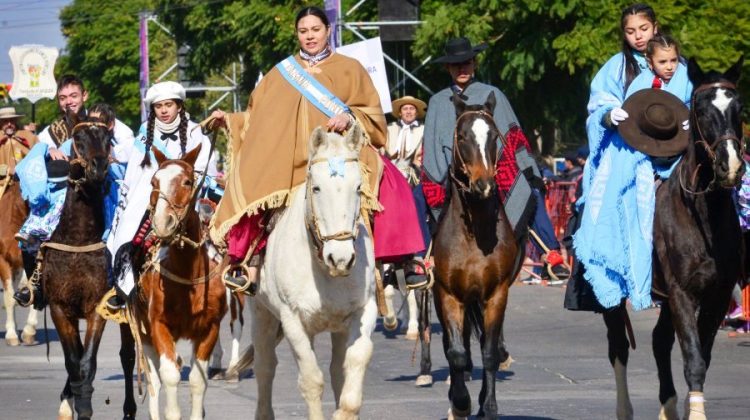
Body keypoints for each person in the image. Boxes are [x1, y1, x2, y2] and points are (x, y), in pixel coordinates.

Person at [209, 6, 426, 294]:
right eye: (303, 31)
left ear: (328, 31)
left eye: (315, 30)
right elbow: (256, 117)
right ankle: (250, 262)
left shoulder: (350, 68)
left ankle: (402, 260)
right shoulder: (280, 73)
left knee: (392, 180)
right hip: (289, 156)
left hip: (340, 150)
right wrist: (230, 120)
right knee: (258, 177)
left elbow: (372, 115)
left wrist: (349, 117)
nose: (309, 36)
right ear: (297, 34)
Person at [573, 3, 693, 312]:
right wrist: (607, 116)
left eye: (643, 28)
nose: (637, 36)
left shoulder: (681, 66)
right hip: (628, 149)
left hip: (676, 150)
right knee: (604, 200)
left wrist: (694, 118)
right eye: (630, 31)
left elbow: (698, 99)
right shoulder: (616, 66)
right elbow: (596, 106)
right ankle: (608, 275)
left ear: (655, 26)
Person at [421, 36, 570, 281]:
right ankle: (420, 259)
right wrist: (436, 176)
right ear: (447, 67)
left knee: (531, 192)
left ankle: (550, 255)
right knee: (417, 196)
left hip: (494, 168)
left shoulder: (493, 94)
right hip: (451, 174)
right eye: (456, 64)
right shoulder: (437, 102)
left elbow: (512, 136)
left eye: (467, 62)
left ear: (474, 64)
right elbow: (432, 146)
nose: (462, 68)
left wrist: (528, 170)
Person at [105, 81, 217, 309]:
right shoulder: (145, 135)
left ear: (179, 106)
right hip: (149, 198)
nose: (164, 110)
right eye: (159, 107)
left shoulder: (197, 133)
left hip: (185, 199)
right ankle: (126, 287)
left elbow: (205, 169)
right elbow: (129, 167)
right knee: (127, 234)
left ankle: (224, 280)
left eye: (169, 105)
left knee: (216, 237)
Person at [382, 95, 431, 285]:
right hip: (391, 175)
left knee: (416, 202)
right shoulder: (389, 130)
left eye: (412, 109)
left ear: (416, 112)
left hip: (414, 175)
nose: (409, 112)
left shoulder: (424, 130)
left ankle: (418, 253)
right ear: (400, 112)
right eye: (405, 109)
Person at [0, 106, 38, 183]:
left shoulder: (28, 136)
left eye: (12, 120)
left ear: (16, 121)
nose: (9, 124)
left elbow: (39, 158)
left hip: (26, 184)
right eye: (5, 121)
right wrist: (7, 170)